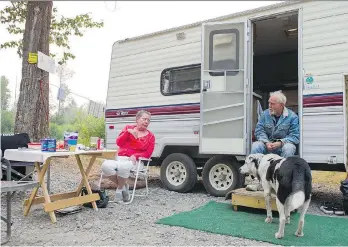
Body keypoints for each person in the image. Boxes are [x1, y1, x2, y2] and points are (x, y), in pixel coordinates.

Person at [100, 110, 155, 203]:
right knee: (105, 166)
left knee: (124, 167)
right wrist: (128, 132)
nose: (146, 122)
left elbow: (148, 153)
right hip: (120, 158)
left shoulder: (150, 136)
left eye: (148, 120)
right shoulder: (128, 128)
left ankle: (119, 191)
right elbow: (119, 143)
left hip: (136, 162)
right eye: (144, 119)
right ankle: (123, 186)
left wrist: (136, 155)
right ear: (137, 119)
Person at [251, 90, 300, 157]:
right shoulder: (265, 114)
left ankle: (285, 167)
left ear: (281, 105)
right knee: (256, 145)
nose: (269, 106)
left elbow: (294, 136)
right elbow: (259, 130)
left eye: (272, 104)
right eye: (269, 103)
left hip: (282, 146)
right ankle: (255, 167)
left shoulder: (292, 117)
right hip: (267, 145)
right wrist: (266, 142)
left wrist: (280, 143)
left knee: (289, 148)